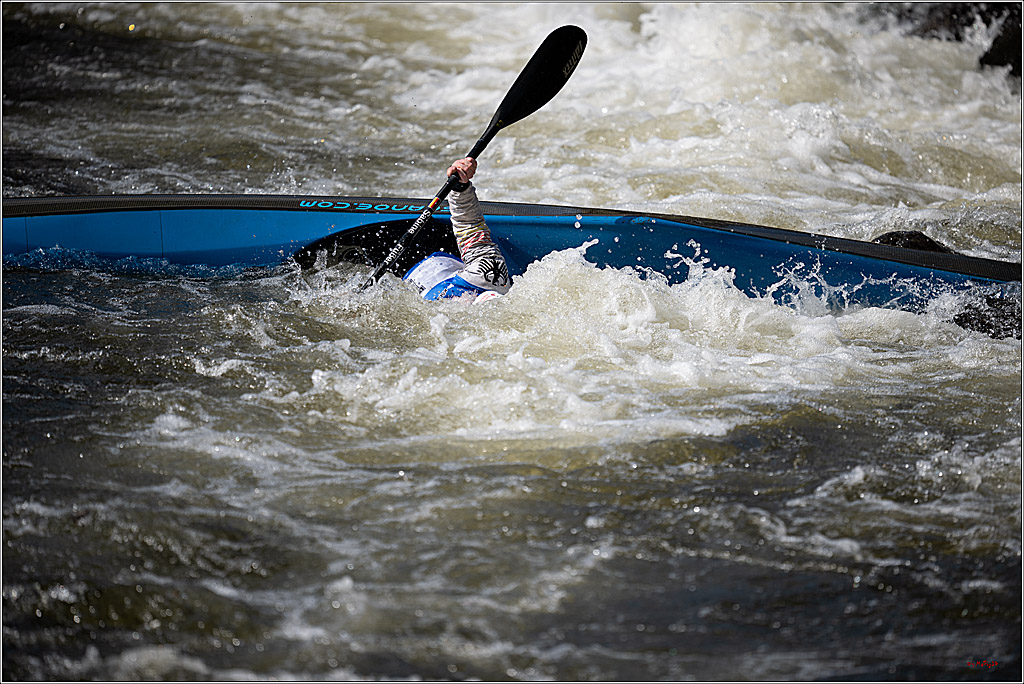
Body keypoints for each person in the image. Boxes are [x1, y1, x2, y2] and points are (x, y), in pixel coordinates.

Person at [403, 158, 511, 302]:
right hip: (436, 249)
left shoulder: (434, 310)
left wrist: (460, 189)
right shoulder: (488, 276)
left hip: (410, 274)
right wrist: (460, 188)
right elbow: (470, 226)